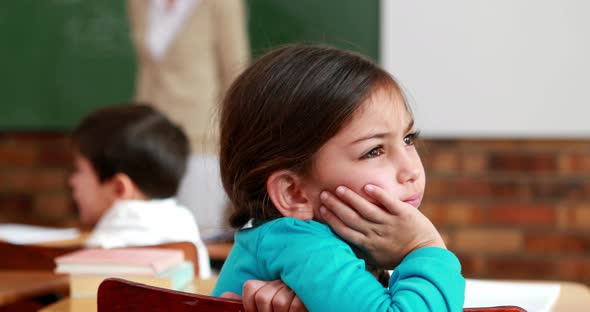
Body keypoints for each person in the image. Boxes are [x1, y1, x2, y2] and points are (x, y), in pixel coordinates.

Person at [211, 45, 465, 311]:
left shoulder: (302, 242)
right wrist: (423, 246)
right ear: (293, 193)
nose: (411, 170)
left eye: (408, 138)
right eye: (373, 151)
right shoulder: (301, 242)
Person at [127, 0, 251, 240]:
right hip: (151, 139)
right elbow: (147, 70)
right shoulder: (140, 3)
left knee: (197, 237)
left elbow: (236, 73)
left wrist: (231, 141)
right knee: (151, 238)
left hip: (201, 138)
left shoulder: (222, 4)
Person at [68, 104, 211, 279]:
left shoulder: (101, 247)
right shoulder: (186, 226)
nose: (72, 181)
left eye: (79, 171)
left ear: (120, 188)